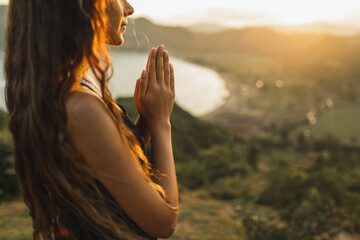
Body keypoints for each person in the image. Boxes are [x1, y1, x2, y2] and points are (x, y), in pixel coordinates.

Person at [4, 0, 178, 239]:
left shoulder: (68, 87)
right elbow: (163, 221)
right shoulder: (79, 107)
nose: (129, 8)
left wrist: (146, 122)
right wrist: (161, 123)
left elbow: (106, 170)